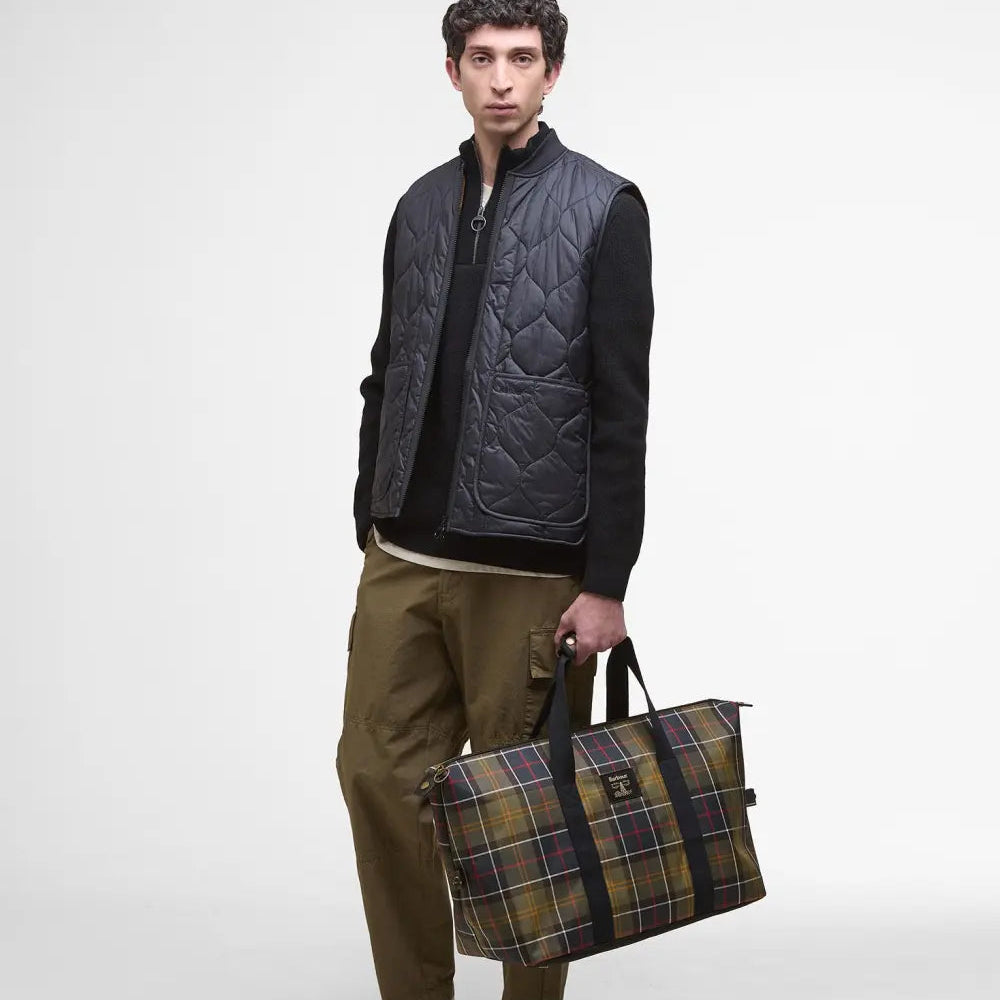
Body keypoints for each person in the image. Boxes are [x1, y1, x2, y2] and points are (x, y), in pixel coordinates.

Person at [335, 3, 653, 997]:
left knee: (527, 821)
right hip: (406, 557)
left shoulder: (605, 206)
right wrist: (371, 509)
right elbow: (388, 367)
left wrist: (606, 580)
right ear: (453, 72)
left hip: (531, 571)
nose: (503, 78)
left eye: (523, 58)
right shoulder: (420, 204)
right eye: (483, 58)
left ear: (552, 73)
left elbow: (621, 407)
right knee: (376, 779)